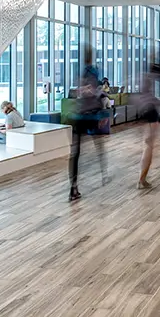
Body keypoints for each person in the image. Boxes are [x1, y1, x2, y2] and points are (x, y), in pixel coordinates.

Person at [68, 47, 109, 202]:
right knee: (97, 146)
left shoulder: (81, 72)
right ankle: (103, 174)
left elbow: (81, 91)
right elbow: (97, 92)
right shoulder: (92, 72)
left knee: (76, 152)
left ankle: (74, 186)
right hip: (89, 115)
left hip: (81, 114)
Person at [135, 61, 160, 190]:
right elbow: (146, 95)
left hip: (149, 113)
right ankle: (141, 180)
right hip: (150, 113)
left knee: (149, 146)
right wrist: (156, 101)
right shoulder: (147, 79)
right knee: (149, 147)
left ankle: (142, 179)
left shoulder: (146, 78)